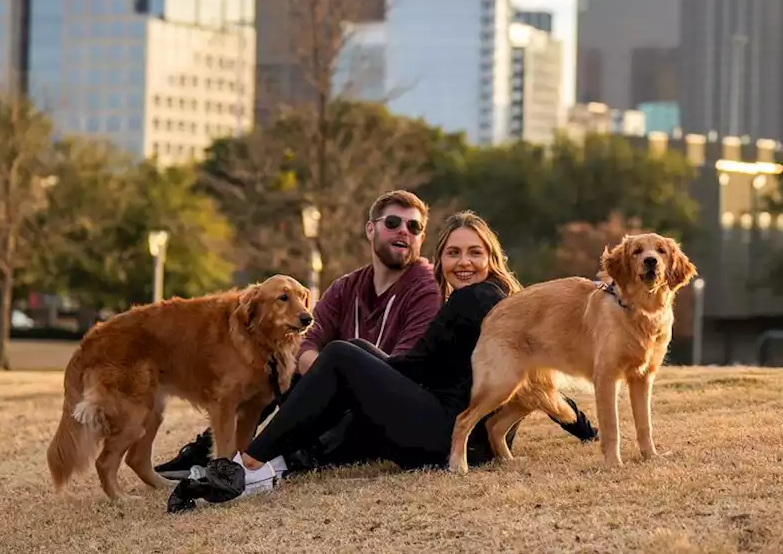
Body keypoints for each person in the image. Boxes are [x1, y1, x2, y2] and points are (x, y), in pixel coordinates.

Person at [167, 211, 597, 512]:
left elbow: (416, 368)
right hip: (462, 435)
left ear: (491, 259)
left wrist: (356, 365)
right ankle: (270, 462)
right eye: (453, 253)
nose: (463, 263)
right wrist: (582, 427)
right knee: (349, 355)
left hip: (445, 437)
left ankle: (250, 466)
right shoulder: (499, 302)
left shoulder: (476, 299)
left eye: (474, 253)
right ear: (441, 260)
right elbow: (542, 382)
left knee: (340, 356)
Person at [154, 189, 443, 479]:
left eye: (414, 227)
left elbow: (402, 368)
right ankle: (209, 453)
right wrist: (321, 378)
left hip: (382, 415)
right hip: (335, 403)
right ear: (371, 229)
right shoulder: (347, 286)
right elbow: (309, 337)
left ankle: (260, 463)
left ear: (421, 237)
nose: (404, 231)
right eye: (393, 223)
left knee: (340, 355)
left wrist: (333, 380)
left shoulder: (425, 289)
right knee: (278, 369)